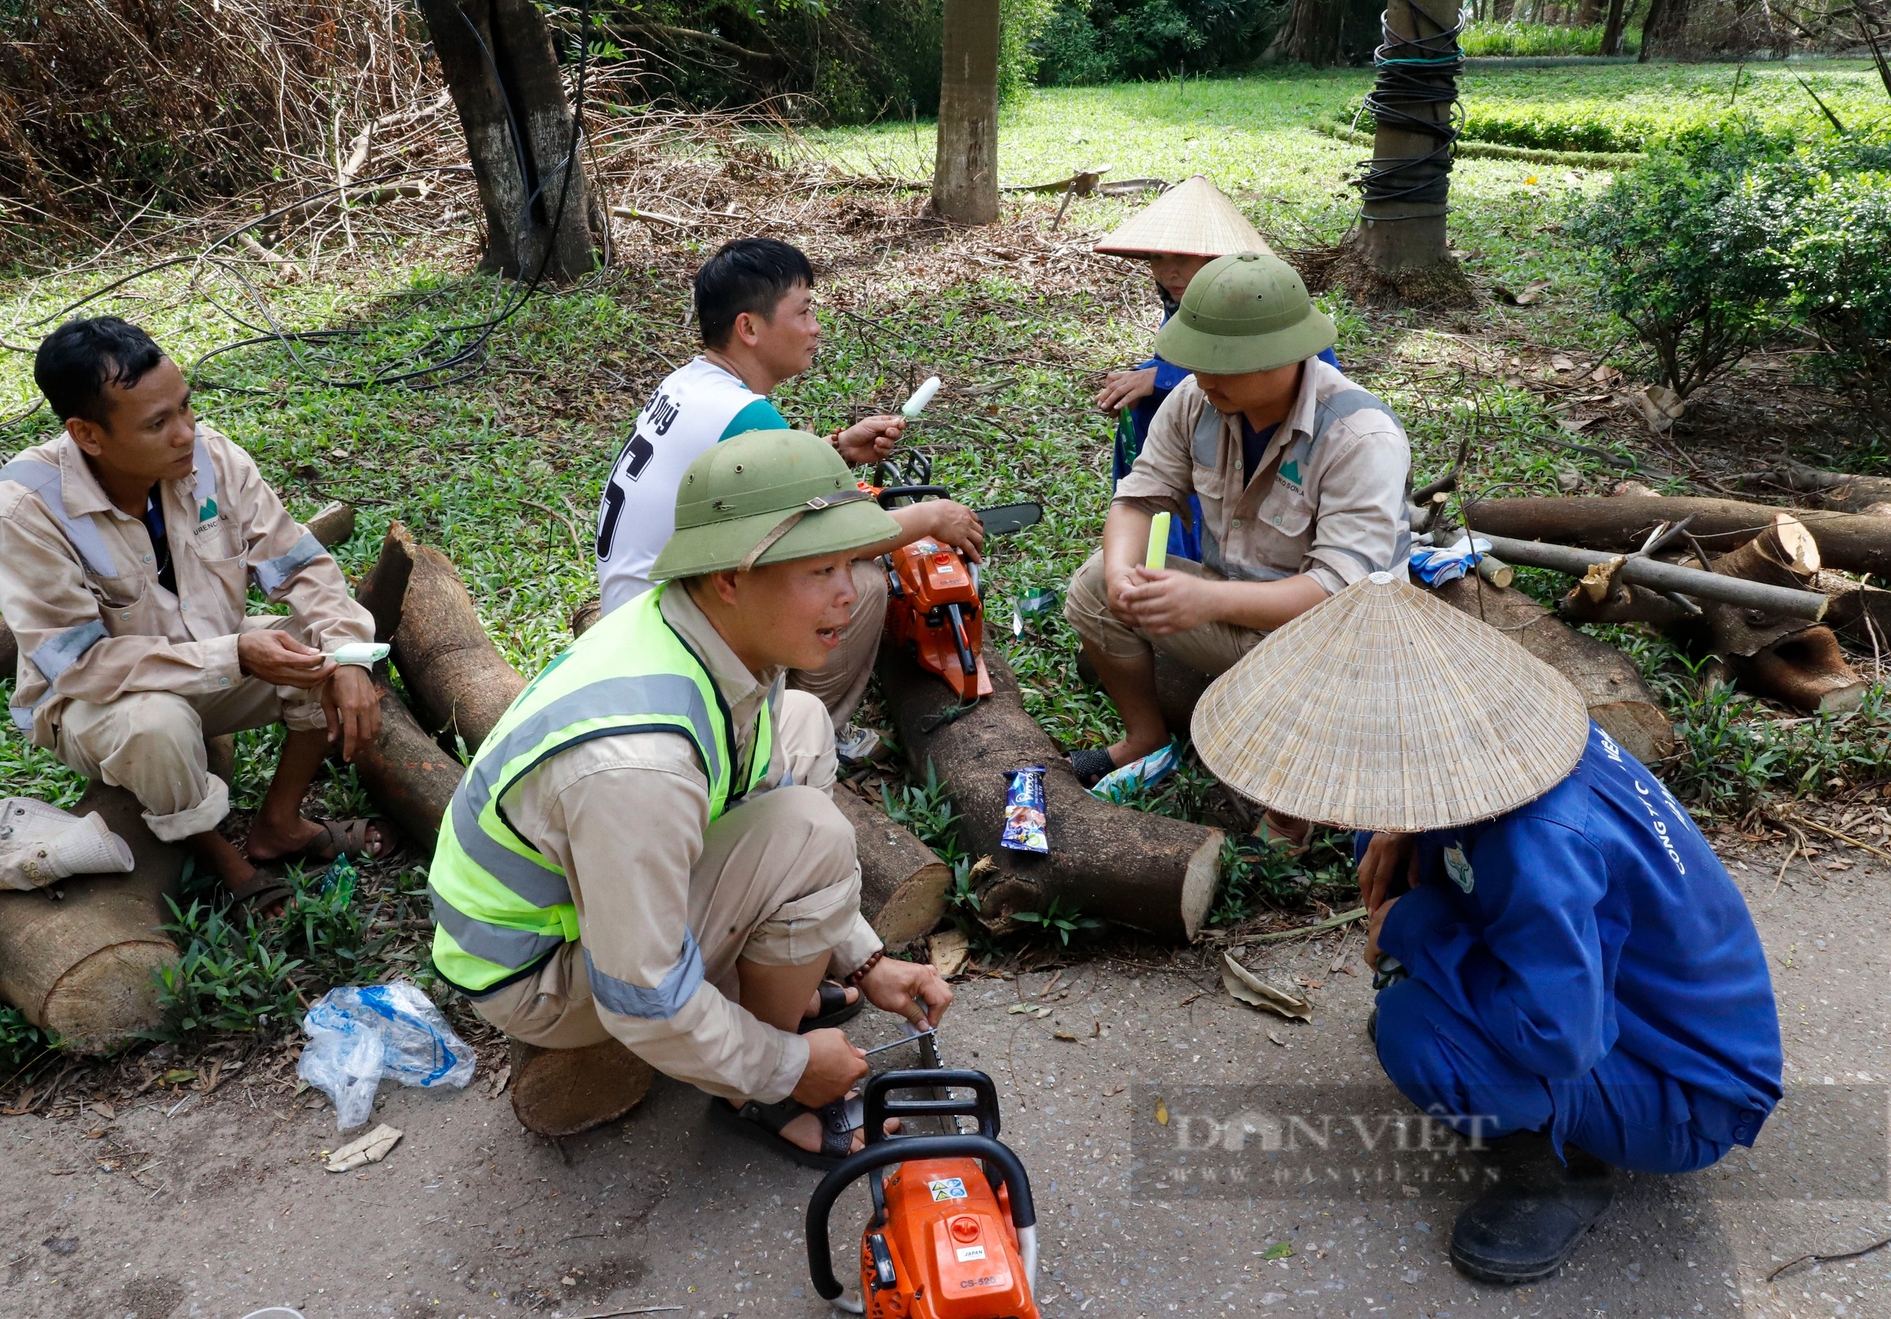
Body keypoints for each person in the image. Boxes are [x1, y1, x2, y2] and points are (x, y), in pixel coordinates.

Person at [1189, 572, 1784, 1286]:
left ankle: (1556, 1172)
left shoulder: (1538, 848)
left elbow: (1560, 1037)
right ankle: (1503, 1064)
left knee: (1415, 1029)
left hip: (1689, 1097)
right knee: (1385, 859)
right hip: (1623, 1004)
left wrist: (1411, 927)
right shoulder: (1531, 744)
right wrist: (1403, 837)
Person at [432, 430, 954, 1163]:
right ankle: (759, 1096)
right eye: (821, 570)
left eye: (853, 563)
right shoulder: (639, 765)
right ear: (730, 578)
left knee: (800, 725)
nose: (850, 592)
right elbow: (639, 994)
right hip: (544, 974)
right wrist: (790, 1068)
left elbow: (760, 779)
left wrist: (862, 959)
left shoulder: (720, 634)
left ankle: (772, 983)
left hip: (596, 906)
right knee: (812, 833)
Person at [0, 317, 393, 917]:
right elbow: (82, 667)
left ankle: (278, 823)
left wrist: (349, 657)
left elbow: (301, 566)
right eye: (157, 423)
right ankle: (224, 858)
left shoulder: (214, 460)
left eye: (186, 408)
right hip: (94, 703)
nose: (186, 434)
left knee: (326, 651)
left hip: (209, 657)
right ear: (86, 434)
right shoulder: (20, 514)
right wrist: (235, 654)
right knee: (159, 724)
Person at [1063, 251, 1410, 850]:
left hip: (1343, 647)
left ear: (1289, 355)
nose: (1204, 376)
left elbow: (1340, 592)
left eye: (1226, 364)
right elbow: (1141, 498)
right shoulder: (1198, 400)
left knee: (1327, 704)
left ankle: (1292, 811)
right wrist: (1123, 573)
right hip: (1240, 617)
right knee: (1095, 585)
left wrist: (1206, 598)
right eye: (1197, 360)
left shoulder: (1360, 438)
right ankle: (1147, 738)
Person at [593, 237, 984, 763]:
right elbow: (845, 537)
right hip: (674, 637)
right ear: (749, 328)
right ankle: (795, 737)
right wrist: (937, 515)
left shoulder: (689, 385)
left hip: (635, 610)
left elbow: (753, 483)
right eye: (804, 311)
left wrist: (841, 449)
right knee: (860, 580)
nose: (816, 327)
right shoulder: (745, 414)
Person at [1091, 176, 1339, 563]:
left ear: (1216, 258)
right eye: (1157, 258)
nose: (1168, 272)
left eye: (1182, 258)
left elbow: (1289, 377)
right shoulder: (1183, 305)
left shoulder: (1263, 304)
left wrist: (1161, 379)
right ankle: (1166, 549)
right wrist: (1141, 380)